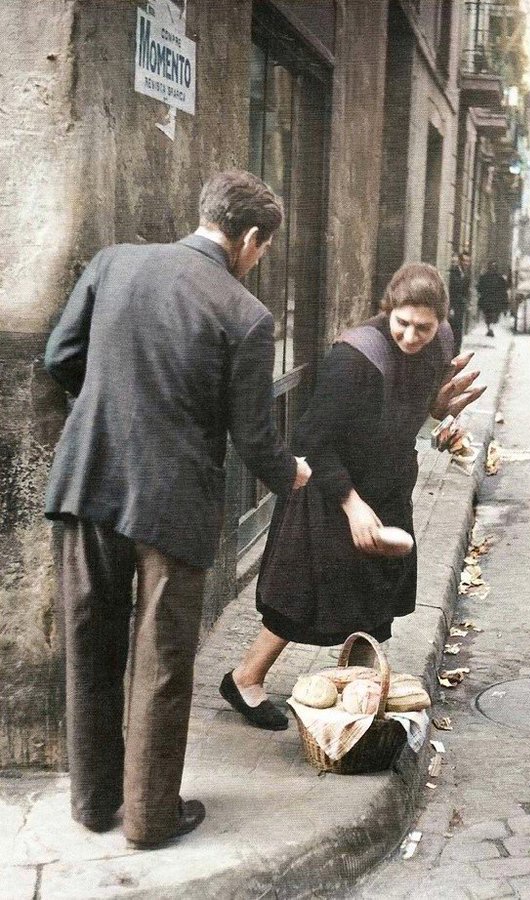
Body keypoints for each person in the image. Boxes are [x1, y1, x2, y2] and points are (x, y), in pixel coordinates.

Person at [43, 170, 311, 848]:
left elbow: (60, 356)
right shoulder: (245, 314)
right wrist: (293, 475)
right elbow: (253, 437)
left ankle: (93, 802)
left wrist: (112, 412)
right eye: (261, 251)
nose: (255, 262)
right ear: (250, 238)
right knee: (161, 662)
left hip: (90, 480)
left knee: (89, 642)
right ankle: (149, 817)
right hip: (173, 503)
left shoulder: (114, 263)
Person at [219, 262, 486, 730]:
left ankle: (356, 693)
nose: (410, 336)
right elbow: (309, 439)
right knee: (303, 595)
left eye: (423, 327)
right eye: (402, 324)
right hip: (330, 485)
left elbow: (417, 410)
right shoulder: (352, 359)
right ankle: (245, 678)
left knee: (375, 592)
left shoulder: (443, 341)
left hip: (387, 481)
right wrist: (352, 504)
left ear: (441, 320)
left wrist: (437, 424)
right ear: (387, 312)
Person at [448, 249, 471, 356]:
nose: (466, 263)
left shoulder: (466, 274)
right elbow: (451, 291)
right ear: (460, 261)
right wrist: (451, 308)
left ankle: (457, 352)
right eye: (464, 261)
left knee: (459, 330)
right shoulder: (454, 272)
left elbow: (466, 291)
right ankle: (452, 352)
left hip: (460, 307)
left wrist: (466, 303)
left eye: (468, 261)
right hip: (453, 307)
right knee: (453, 329)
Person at [477, 260, 508, 337]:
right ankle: (490, 328)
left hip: (492, 300)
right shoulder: (498, 278)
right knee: (490, 316)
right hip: (490, 300)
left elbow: (503, 290)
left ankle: (490, 329)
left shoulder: (498, 278)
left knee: (491, 316)